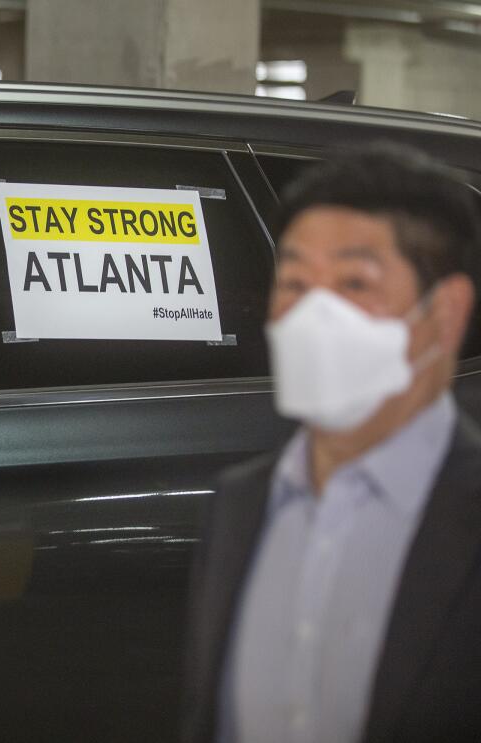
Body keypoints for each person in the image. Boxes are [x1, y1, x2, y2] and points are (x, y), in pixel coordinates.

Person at [182, 143, 481, 743]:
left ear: (445, 314)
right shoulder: (241, 507)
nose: (314, 316)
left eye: (354, 282)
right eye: (293, 282)